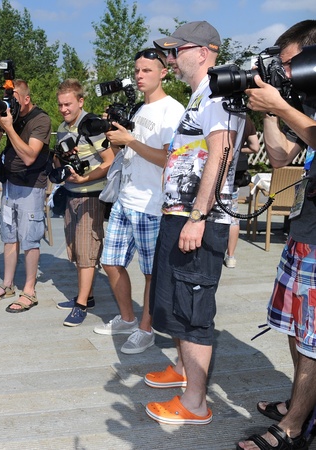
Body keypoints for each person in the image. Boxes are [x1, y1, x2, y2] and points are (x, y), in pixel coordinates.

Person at [145, 21, 246, 426]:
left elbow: (222, 154)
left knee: (193, 310)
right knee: (175, 301)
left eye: (177, 50)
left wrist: (199, 216)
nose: (170, 59)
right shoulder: (202, 93)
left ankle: (195, 403)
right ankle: (184, 371)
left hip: (200, 217)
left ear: (203, 52)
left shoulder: (218, 93)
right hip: (180, 215)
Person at [237, 20, 316, 450]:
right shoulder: (306, 102)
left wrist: (282, 107)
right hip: (303, 227)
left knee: (314, 338)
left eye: (287, 64)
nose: (283, 72)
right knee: (293, 325)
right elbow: (281, 156)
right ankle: (299, 403)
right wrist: (270, 109)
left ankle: (293, 429)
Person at [94, 48, 185, 353]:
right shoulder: (137, 109)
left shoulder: (172, 110)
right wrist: (115, 136)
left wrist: (130, 140)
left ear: (164, 73)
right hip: (125, 197)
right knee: (110, 262)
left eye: (147, 70)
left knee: (150, 273)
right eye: (137, 70)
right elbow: (125, 153)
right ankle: (128, 318)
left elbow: (170, 159)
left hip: (152, 204)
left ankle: (146, 330)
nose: (139, 75)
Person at [0, 79, 52, 313]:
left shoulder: (40, 120)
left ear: (26, 99)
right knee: (9, 236)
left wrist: (10, 128)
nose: (9, 104)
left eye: (13, 100)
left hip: (31, 187)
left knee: (30, 239)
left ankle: (29, 291)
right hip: (10, 184)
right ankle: (7, 284)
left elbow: (29, 156)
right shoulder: (10, 116)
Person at [52, 79, 113, 326]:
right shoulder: (62, 127)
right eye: (60, 105)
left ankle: (80, 306)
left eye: (68, 104)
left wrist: (86, 177)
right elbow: (58, 162)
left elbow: (110, 161)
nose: (63, 109)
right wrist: (63, 157)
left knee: (87, 251)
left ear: (80, 101)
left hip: (91, 195)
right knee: (77, 249)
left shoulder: (92, 125)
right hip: (71, 193)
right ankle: (86, 296)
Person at [224, 119, 260, 268]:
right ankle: (231, 256)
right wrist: (238, 148)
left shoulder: (215, 114)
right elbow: (255, 147)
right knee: (233, 217)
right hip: (235, 172)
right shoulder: (245, 119)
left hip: (214, 168)